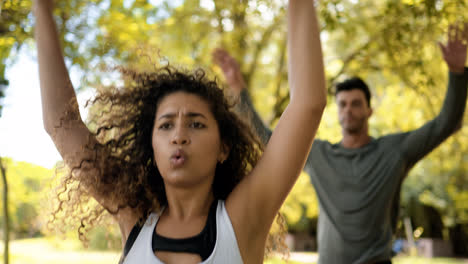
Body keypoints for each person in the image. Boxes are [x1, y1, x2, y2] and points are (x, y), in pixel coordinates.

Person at [34, 0, 326, 263]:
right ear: (151, 145)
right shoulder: (133, 219)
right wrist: (42, 8)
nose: (179, 135)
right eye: (165, 125)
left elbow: (308, 104)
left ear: (224, 148)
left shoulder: (242, 218)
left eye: (196, 123)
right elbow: (62, 122)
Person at [213, 24, 468, 264]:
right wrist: (237, 87)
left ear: (369, 111)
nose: (348, 110)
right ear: (336, 111)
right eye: (342, 104)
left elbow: (444, 123)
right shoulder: (319, 155)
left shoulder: (394, 151)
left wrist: (457, 73)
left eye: (356, 103)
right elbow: (268, 140)